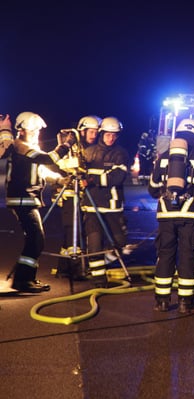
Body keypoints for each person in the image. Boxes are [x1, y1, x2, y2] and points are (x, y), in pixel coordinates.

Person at [148, 118, 194, 313]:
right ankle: (185, 303)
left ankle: (161, 301)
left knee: (165, 255)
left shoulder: (164, 157)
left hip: (166, 215)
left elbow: (153, 189)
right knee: (187, 256)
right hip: (190, 215)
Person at [1, 112, 75, 293]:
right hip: (22, 199)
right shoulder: (21, 146)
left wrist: (60, 180)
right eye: (32, 131)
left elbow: (41, 171)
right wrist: (66, 145)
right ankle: (22, 280)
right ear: (21, 131)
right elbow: (48, 160)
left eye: (37, 131)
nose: (36, 134)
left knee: (35, 239)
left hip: (27, 199)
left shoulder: (27, 147)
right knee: (36, 239)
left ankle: (26, 278)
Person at [82, 116, 131, 287]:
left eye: (114, 135)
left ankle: (105, 262)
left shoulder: (121, 154)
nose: (111, 138)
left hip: (112, 206)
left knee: (120, 242)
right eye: (108, 135)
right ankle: (98, 278)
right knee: (94, 244)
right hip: (91, 206)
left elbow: (117, 177)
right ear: (102, 133)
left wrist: (92, 179)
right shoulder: (88, 152)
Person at [55, 115, 101, 280]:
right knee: (72, 230)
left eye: (96, 132)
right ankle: (75, 268)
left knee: (75, 231)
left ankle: (64, 268)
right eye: (91, 131)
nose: (93, 135)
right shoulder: (72, 146)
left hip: (81, 194)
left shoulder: (92, 148)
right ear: (82, 131)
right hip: (69, 193)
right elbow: (63, 164)